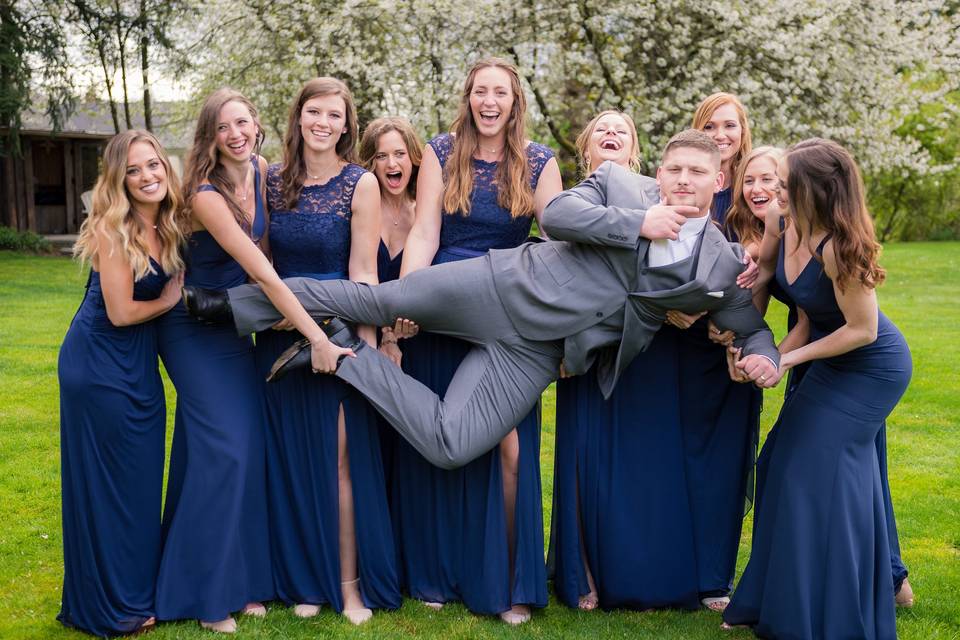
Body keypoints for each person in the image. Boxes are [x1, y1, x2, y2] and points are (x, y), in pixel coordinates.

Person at [185, 129, 781, 470]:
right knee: (376, 300)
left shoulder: (723, 265)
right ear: (659, 168)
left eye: (696, 173)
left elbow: (749, 327)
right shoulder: (623, 186)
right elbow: (557, 213)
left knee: (453, 445)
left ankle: (347, 356)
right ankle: (234, 307)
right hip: (498, 286)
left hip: (541, 353)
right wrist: (636, 223)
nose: (682, 180)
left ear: (717, 180)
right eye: (673, 168)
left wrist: (766, 359)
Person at [154, 88, 350, 633]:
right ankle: (208, 596)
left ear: (257, 124)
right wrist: (316, 335)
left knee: (233, 451)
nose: (236, 134)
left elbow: (269, 255)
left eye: (243, 122)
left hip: (239, 323)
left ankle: (242, 581)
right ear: (210, 138)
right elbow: (262, 272)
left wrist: (278, 313)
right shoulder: (205, 195)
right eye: (224, 128)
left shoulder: (263, 171)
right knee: (228, 452)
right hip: (193, 328)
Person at [386, 58, 562, 625]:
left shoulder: (539, 163)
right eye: (481, 92)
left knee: (508, 447)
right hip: (441, 307)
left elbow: (558, 246)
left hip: (507, 323)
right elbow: (425, 232)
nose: (490, 102)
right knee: (440, 446)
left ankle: (510, 578)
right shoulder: (440, 152)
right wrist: (406, 300)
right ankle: (439, 571)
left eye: (501, 93)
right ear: (468, 98)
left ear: (515, 102)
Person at [723, 139, 912, 639]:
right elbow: (804, 312)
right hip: (828, 357)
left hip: (871, 368)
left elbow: (862, 331)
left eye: (785, 184)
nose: (774, 191)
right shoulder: (782, 226)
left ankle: (839, 610)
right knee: (778, 461)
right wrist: (764, 348)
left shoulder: (839, 245)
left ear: (815, 190)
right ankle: (772, 598)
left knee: (816, 475)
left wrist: (787, 360)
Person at [254, 78, 400, 625]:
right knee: (292, 462)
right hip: (277, 335)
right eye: (313, 111)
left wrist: (363, 347)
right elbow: (262, 265)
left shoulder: (359, 184)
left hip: (339, 336)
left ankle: (350, 586)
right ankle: (304, 582)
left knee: (341, 462)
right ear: (298, 117)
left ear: (346, 125)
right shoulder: (270, 179)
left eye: (333, 115)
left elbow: (363, 273)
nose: (322, 122)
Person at [548, 110, 699, 612]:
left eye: (622, 131)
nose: (611, 135)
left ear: (635, 152)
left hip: (646, 349)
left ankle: (643, 571)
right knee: (583, 459)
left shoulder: (654, 193)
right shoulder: (582, 196)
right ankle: (580, 572)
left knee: (641, 463)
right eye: (600, 130)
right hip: (585, 348)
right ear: (586, 149)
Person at [58, 130, 185, 637]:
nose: (147, 176)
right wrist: (170, 300)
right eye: (133, 170)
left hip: (137, 366)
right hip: (98, 365)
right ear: (119, 179)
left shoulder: (171, 222)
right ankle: (111, 606)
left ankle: (135, 590)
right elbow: (122, 310)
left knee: (137, 481)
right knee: (108, 486)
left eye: (153, 165)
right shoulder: (112, 229)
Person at [660, 92, 760, 611]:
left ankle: (715, 577)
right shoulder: (686, 182)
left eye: (731, 125)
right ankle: (676, 566)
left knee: (722, 462)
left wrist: (732, 332)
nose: (722, 134)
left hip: (726, 346)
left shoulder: (756, 194)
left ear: (744, 132)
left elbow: (761, 279)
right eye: (711, 125)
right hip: (676, 342)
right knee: (678, 458)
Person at [356, 116, 422, 489]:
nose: (392, 164)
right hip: (367, 334)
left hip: (419, 336)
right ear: (370, 163)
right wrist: (384, 338)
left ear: (414, 158)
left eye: (400, 154)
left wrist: (399, 337)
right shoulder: (362, 207)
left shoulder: (426, 211)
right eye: (382, 156)